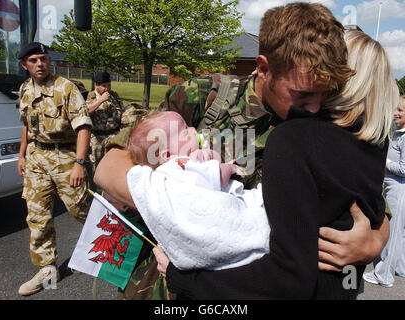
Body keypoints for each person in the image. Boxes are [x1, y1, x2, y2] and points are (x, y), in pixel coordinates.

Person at [95, 2, 389, 300]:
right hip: (167, 282)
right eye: (301, 94)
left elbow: (369, 199)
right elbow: (110, 166)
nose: (314, 106)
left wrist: (375, 242)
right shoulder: (207, 96)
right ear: (263, 68)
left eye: (324, 93)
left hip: (251, 287)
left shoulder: (327, 123)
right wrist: (190, 203)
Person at [126, 111, 270, 271]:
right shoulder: (181, 165)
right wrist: (229, 167)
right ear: (168, 155)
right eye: (185, 130)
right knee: (257, 215)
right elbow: (215, 176)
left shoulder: (166, 173)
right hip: (220, 219)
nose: (194, 129)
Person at [16, 42, 93, 296]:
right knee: (37, 215)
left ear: (49, 61)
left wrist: (79, 163)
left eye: (43, 59)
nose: (40, 64)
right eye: (34, 60)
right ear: (25, 65)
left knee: (81, 209)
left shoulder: (66, 88)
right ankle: (47, 269)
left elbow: (83, 127)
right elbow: (27, 125)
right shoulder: (25, 88)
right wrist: (21, 155)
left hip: (65, 157)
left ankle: (123, 248)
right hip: (36, 157)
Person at [363, 96, 405, 287]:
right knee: (400, 234)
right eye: (395, 109)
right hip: (392, 187)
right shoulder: (397, 132)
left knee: (393, 233)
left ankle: (383, 276)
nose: (396, 113)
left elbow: (404, 169)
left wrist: (385, 163)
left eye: (401, 111)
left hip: (399, 189)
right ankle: (399, 268)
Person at [86, 71, 124, 172]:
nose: (107, 88)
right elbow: (86, 111)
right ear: (96, 85)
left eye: (109, 85)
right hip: (97, 139)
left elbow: (122, 111)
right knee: (96, 168)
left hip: (113, 136)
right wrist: (100, 101)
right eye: (104, 86)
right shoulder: (91, 96)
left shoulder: (114, 96)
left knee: (113, 167)